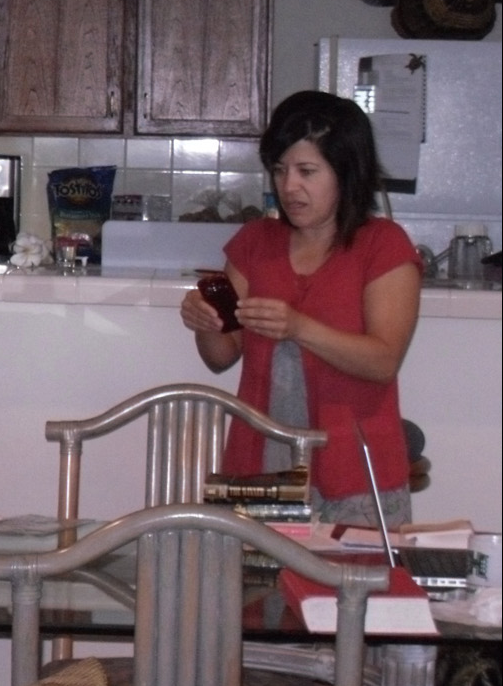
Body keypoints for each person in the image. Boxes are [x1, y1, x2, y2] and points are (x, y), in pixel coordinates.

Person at [180, 91, 423, 526]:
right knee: (258, 590)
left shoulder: (383, 245)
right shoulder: (256, 242)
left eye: (307, 171)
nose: (289, 186)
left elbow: (383, 360)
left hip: (355, 466)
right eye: (280, 170)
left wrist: (297, 327)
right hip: (258, 460)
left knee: (351, 590)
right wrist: (205, 322)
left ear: (347, 172)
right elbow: (220, 357)